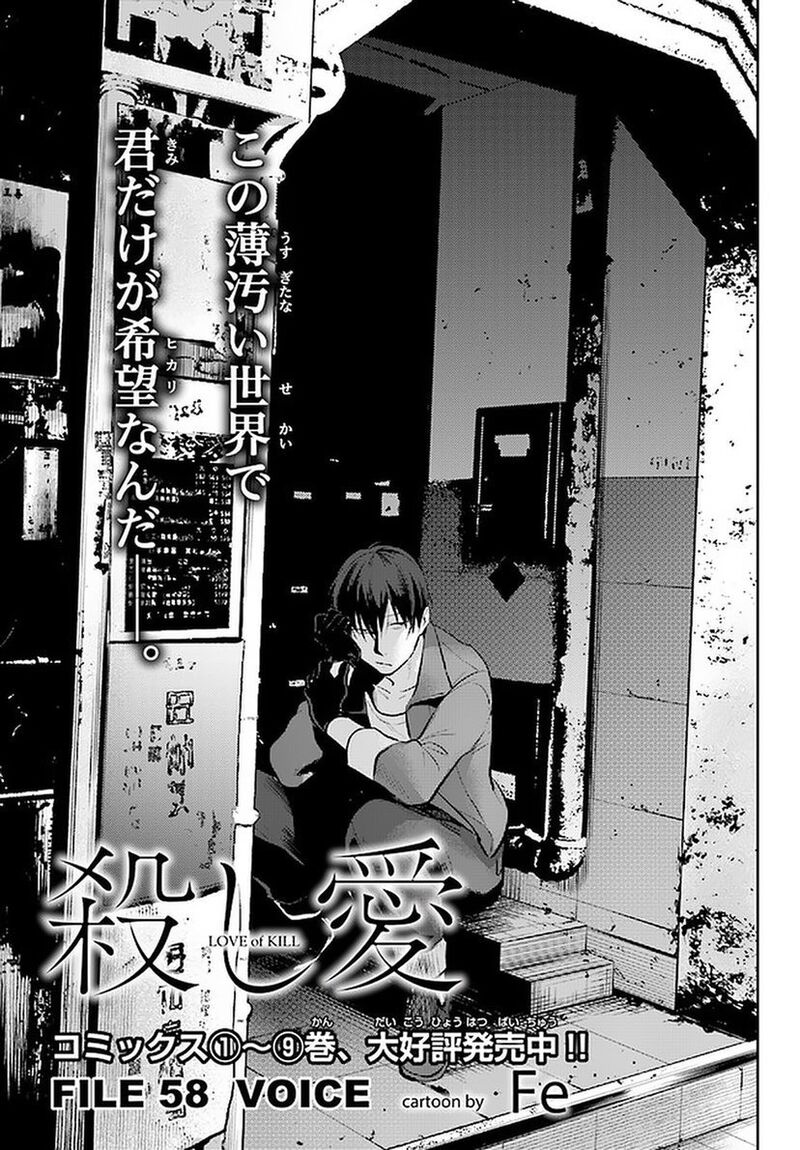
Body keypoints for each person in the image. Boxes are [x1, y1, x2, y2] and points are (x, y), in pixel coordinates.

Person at [253, 544, 508, 1075]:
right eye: (365, 629)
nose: (382, 645)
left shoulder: (463, 677)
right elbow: (287, 766)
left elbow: (416, 781)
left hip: (458, 841)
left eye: (396, 626)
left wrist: (339, 726)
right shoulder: (348, 670)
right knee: (250, 792)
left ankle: (428, 1011)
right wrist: (317, 707)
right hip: (354, 826)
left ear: (423, 619)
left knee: (381, 824)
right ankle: (302, 895)